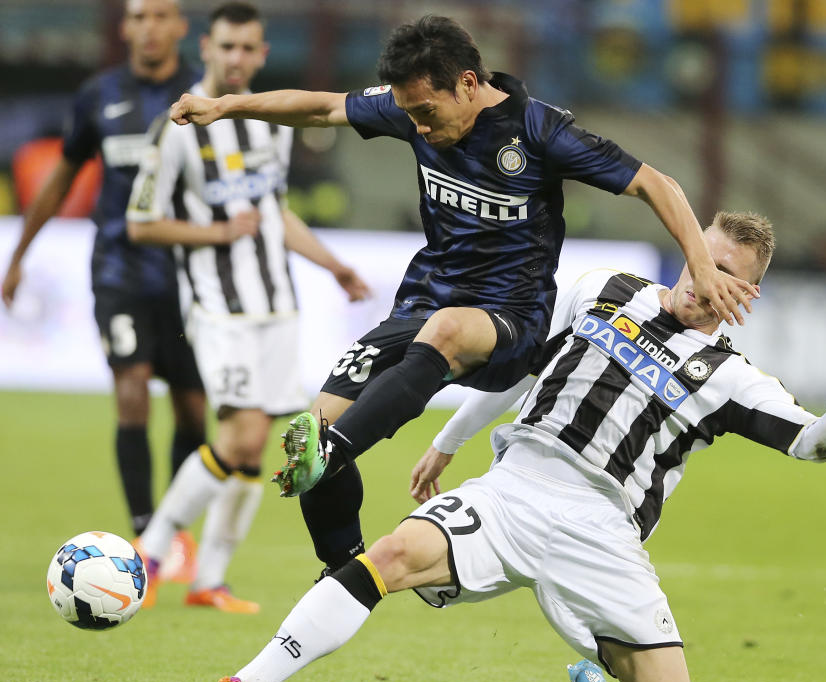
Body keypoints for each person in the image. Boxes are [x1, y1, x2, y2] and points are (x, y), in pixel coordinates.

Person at [179, 210, 826, 682]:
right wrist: (449, 439)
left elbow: (814, 445)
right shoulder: (604, 290)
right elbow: (515, 373)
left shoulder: (733, 379)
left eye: (726, 269)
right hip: (518, 487)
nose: (703, 270)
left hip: (604, 532)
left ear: (747, 293)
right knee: (392, 554)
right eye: (701, 252)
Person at [168, 14, 760, 579]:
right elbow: (323, 107)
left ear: (468, 84)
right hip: (423, 304)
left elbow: (657, 183)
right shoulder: (413, 106)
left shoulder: (538, 130)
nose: (419, 128)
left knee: (441, 336)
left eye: (426, 113)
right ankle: (341, 570)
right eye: (409, 115)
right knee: (313, 430)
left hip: (510, 319)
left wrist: (701, 266)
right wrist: (225, 106)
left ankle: (336, 449)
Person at [126, 2, 370, 613]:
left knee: (256, 450)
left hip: (278, 309)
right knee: (240, 435)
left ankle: (209, 579)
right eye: (226, 47)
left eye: (248, 49)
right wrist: (216, 235)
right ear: (206, 48)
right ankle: (150, 555)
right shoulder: (176, 125)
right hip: (218, 309)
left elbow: (273, 214)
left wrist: (333, 265)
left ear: (262, 54)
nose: (236, 58)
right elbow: (141, 222)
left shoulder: (270, 125)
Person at [2, 0, 202, 574]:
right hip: (119, 272)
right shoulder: (98, 95)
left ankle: (174, 527)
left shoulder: (201, 92)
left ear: (180, 27)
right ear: (126, 28)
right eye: (139, 17)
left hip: (190, 278)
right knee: (132, 388)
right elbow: (62, 175)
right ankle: (146, 534)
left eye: (161, 15)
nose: (149, 27)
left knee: (193, 411)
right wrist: (18, 255)